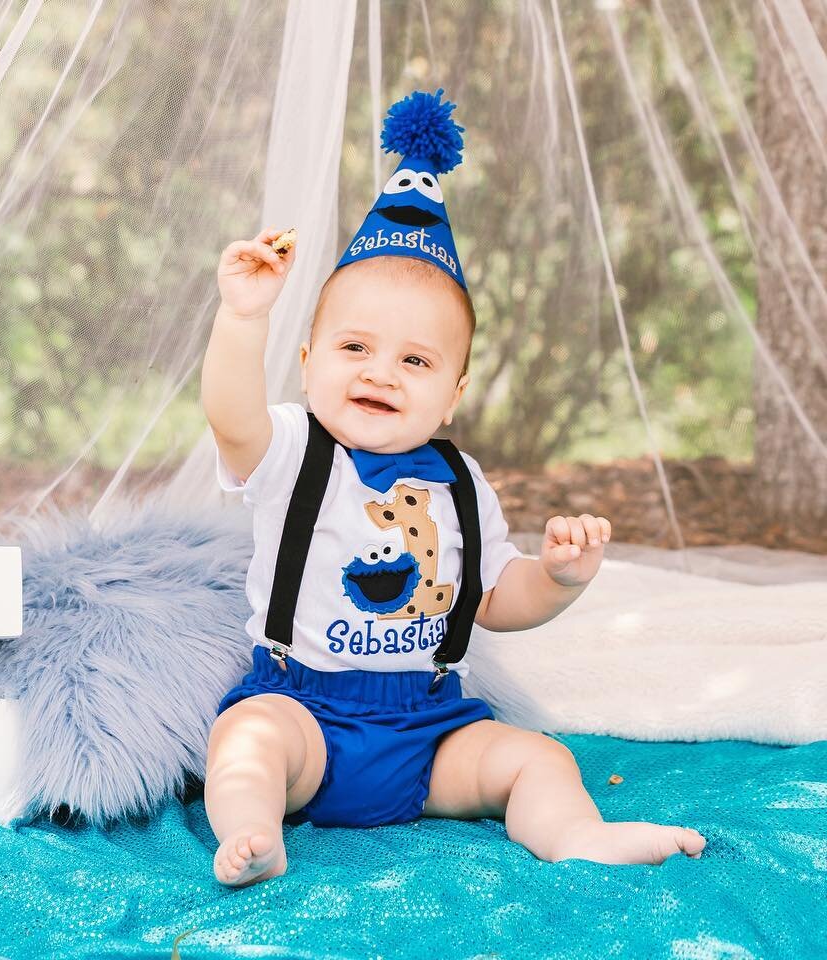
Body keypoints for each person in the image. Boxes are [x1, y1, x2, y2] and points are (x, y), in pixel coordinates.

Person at [201, 90, 706, 887]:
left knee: (535, 756)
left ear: (454, 393)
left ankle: (574, 834)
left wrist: (558, 579)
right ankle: (256, 835)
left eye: (415, 360)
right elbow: (230, 417)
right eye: (355, 346)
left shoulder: (460, 482)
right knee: (247, 741)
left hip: (431, 730)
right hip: (309, 713)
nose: (379, 371)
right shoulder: (294, 448)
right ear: (307, 362)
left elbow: (494, 599)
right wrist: (242, 318)